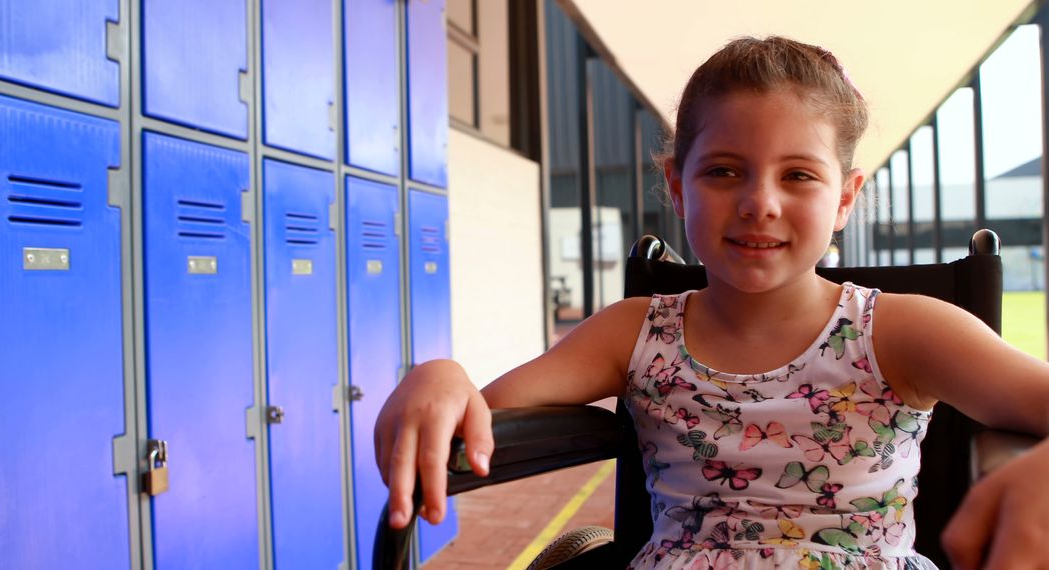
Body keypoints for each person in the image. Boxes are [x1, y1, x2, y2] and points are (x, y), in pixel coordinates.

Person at [375, 36, 1049, 569]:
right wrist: (439, 377)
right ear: (676, 184)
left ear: (844, 197)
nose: (760, 201)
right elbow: (482, 417)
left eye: (798, 175)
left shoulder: (902, 332)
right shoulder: (634, 334)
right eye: (724, 171)